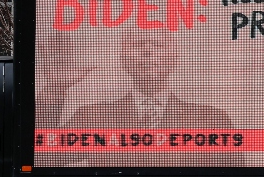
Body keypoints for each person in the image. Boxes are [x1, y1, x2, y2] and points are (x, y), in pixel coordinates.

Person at [65, 31, 243, 167]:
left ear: (174, 57)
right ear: (122, 58)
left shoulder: (212, 121)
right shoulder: (92, 117)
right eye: (137, 44)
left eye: (158, 44)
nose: (148, 51)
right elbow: (41, 155)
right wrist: (54, 89)